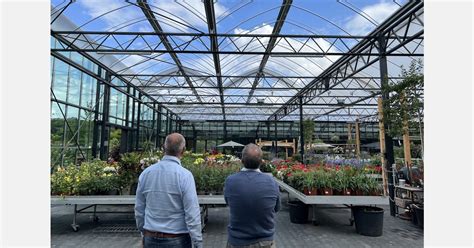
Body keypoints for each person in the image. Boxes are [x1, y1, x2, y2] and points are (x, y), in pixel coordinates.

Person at [135, 133, 202, 248]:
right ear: (183, 151)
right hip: (177, 238)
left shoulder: (146, 173)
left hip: (150, 236)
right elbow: (192, 213)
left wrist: (144, 232)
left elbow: (139, 209)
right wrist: (197, 242)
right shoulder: (185, 176)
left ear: (163, 148)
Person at [224, 144, 281, 248]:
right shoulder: (272, 182)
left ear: (242, 160)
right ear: (261, 161)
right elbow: (277, 208)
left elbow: (228, 202)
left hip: (237, 242)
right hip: (265, 242)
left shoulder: (230, 181)